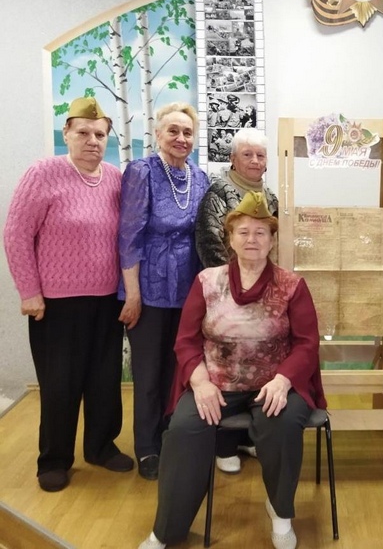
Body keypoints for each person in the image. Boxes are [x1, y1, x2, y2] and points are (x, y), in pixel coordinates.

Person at [137, 191, 326, 549]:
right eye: (243, 232)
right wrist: (200, 383)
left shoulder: (292, 285)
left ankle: (280, 512)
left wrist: (284, 381)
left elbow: (307, 343)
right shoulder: (207, 281)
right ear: (230, 238)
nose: (252, 239)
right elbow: (186, 340)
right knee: (183, 429)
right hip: (215, 382)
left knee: (283, 423)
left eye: (260, 232)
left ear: (272, 240)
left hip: (273, 383)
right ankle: (166, 529)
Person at [3, 97, 133, 492]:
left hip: (107, 300)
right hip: (55, 305)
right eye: (84, 132)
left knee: (104, 380)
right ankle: (54, 459)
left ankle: (100, 447)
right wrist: (29, 292)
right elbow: (16, 234)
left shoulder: (115, 178)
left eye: (100, 134)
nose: (93, 140)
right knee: (60, 384)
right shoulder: (43, 173)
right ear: (67, 133)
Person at [118, 102, 210, 481]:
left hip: (187, 288)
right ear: (158, 134)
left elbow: (204, 236)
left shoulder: (200, 177)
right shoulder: (141, 172)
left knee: (180, 370)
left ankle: (174, 438)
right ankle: (147, 447)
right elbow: (128, 236)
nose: (181, 138)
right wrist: (132, 294)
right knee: (149, 373)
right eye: (173, 130)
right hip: (149, 288)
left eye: (187, 132)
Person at [196, 128, 279, 473]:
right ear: (233, 158)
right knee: (227, 367)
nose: (255, 161)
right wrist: (232, 287)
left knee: (260, 362)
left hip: (264, 295)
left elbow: (273, 245)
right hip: (224, 295)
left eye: (260, 155)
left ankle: (249, 437)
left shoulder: (270, 197)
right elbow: (209, 240)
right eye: (247, 154)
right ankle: (225, 444)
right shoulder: (218, 192)